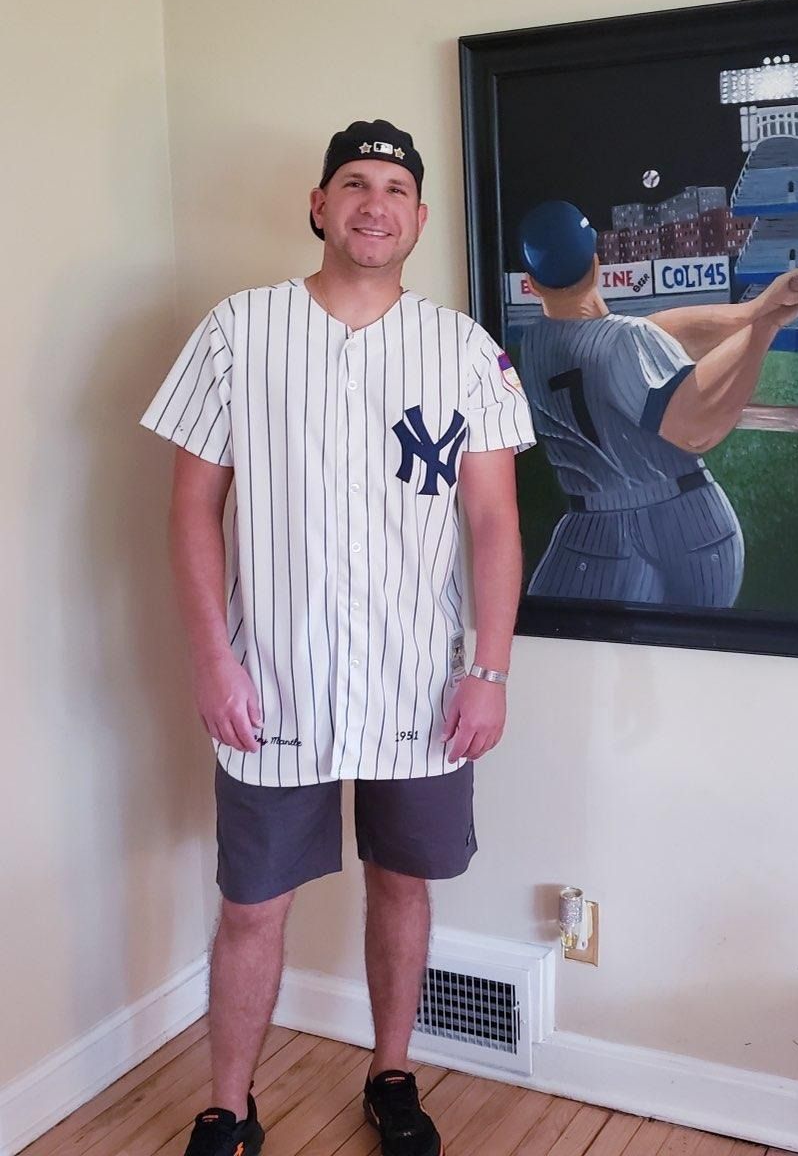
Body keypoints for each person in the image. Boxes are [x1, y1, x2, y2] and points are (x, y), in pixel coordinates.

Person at [141, 119, 535, 1156]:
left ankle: (390, 1071)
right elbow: (191, 510)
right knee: (252, 904)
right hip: (271, 680)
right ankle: (230, 1103)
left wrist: (489, 667)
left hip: (420, 681)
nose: (375, 202)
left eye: (396, 187)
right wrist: (211, 657)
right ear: (319, 206)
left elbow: (494, 520)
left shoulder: (461, 348)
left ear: (419, 218)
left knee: (402, 881)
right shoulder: (239, 330)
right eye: (353, 183)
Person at [518, 221, 798, 608]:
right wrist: (764, 326)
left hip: (600, 525)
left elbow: (654, 334)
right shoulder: (626, 341)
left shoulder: (535, 343)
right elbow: (695, 431)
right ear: (596, 265)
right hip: (687, 524)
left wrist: (755, 309)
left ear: (533, 283)